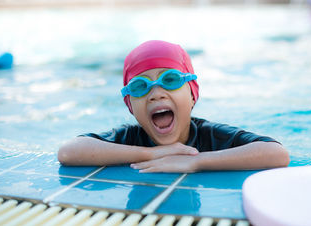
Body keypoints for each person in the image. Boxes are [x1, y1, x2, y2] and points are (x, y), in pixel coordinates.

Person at [58, 40, 289, 173]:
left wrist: (196, 161)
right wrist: (151, 153)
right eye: (140, 86)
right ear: (130, 105)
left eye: (170, 80)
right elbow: (69, 151)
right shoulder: (131, 138)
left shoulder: (210, 136)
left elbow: (276, 154)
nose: (156, 94)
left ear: (191, 94)